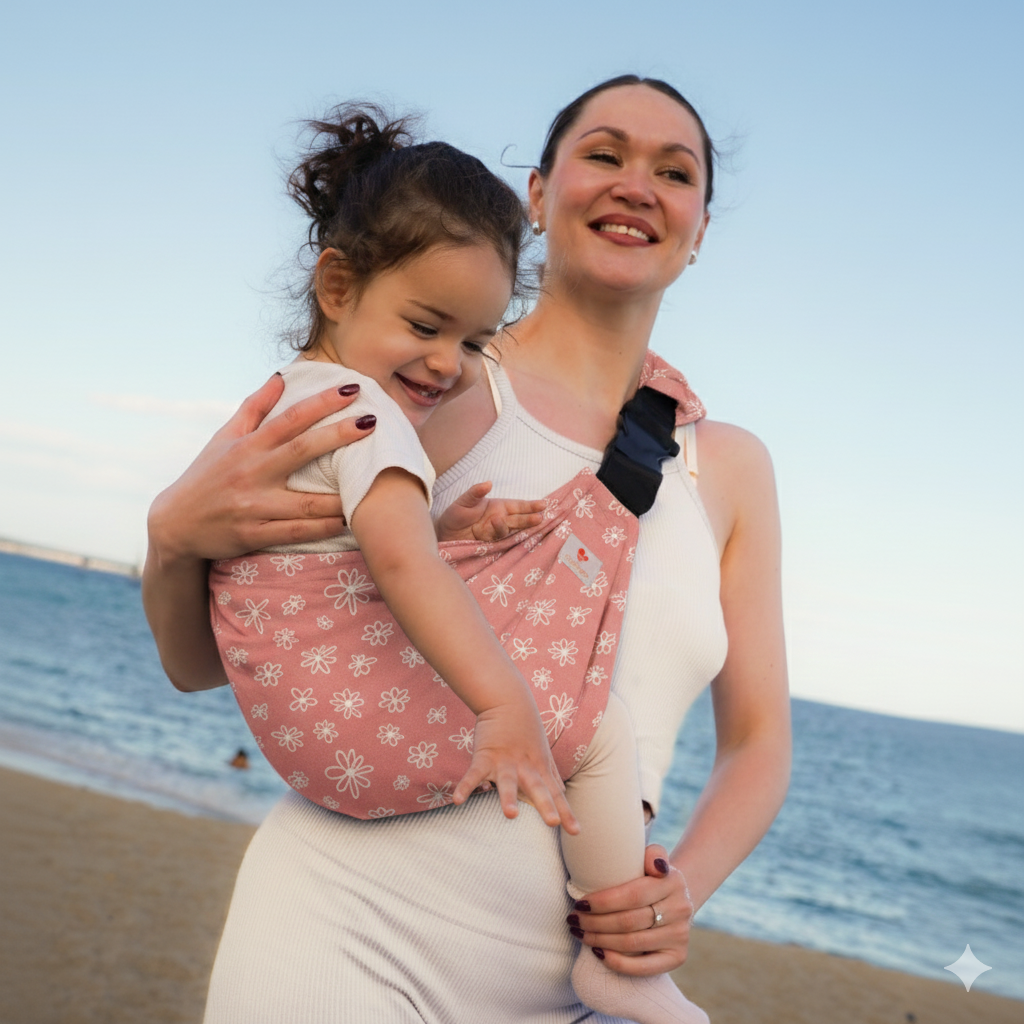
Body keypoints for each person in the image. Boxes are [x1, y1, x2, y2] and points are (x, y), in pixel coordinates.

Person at [143, 75, 791, 1022]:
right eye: (603, 155)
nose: (636, 184)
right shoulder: (417, 382)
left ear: (698, 233)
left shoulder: (727, 468)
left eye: (675, 171)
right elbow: (206, 659)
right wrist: (169, 540)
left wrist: (677, 891)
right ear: (536, 195)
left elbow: (760, 742)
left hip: (571, 991)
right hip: (343, 928)